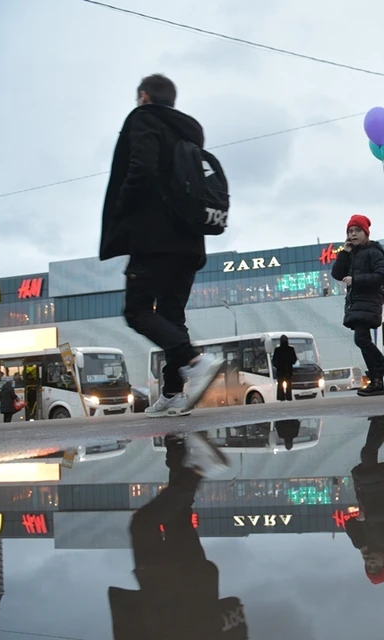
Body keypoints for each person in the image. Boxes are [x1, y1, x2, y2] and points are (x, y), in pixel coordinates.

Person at [100, 73, 223, 417]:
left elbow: (141, 169)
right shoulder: (189, 132)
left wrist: (123, 211)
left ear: (143, 96)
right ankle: (172, 393)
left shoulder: (143, 119)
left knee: (136, 311)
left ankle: (194, 361)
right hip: (190, 241)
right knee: (170, 315)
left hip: (154, 238)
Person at [108, 432, 246, 639]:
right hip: (161, 590)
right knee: (144, 524)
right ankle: (199, 467)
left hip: (198, 583)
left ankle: (178, 450)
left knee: (178, 517)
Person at [331, 214, 384, 397]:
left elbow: (380, 275)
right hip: (357, 303)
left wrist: (356, 280)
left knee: (361, 339)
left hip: (369, 302)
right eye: (350, 231)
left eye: (357, 231)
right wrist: (344, 253)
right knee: (363, 340)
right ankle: (376, 381)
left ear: (366, 233)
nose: (353, 235)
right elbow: (337, 274)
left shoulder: (373, 252)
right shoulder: (351, 254)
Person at [345, 415, 384, 586]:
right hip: (380, 491)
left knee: (368, 453)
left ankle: (381, 422)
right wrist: (369, 517)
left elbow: (349, 524)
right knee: (367, 453)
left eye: (368, 566)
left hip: (367, 492)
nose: (370, 563)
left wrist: (360, 543)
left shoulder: (366, 544)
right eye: (375, 566)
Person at [271, 335, 297, 401]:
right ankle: (289, 397)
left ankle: (281, 397)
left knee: (280, 385)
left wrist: (278, 365)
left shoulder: (277, 350)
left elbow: (274, 361)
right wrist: (290, 363)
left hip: (280, 371)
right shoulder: (291, 349)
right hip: (288, 370)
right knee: (289, 385)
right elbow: (294, 359)